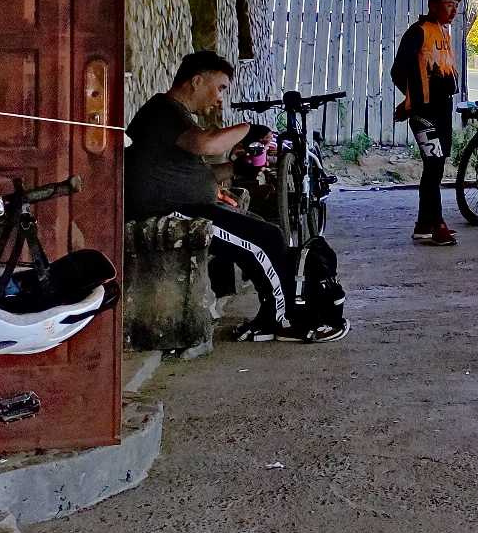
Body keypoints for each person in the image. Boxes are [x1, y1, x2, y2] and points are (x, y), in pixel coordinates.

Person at [125, 51, 346, 343]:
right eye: (220, 88)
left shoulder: (174, 115)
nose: (220, 98)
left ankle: (279, 311)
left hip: (185, 205)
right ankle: (282, 320)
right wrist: (248, 129)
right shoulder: (162, 111)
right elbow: (207, 145)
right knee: (263, 240)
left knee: (269, 233)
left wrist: (238, 168)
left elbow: (194, 172)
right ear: (197, 81)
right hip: (166, 211)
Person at [392, 0, 464, 247]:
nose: (453, 11)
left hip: (442, 109)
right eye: (448, 5)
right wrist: (413, 99)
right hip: (424, 112)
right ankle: (437, 225)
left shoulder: (443, 32)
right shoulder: (418, 31)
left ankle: (423, 224)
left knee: (436, 166)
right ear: (433, 6)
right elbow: (398, 70)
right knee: (433, 166)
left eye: (455, 6)